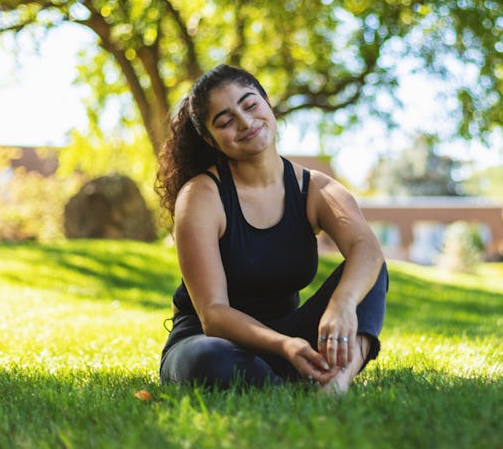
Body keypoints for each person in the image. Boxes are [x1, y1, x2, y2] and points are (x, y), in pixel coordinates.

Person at [155, 64, 388, 393]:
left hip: (289, 339)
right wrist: (285, 346)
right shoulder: (201, 196)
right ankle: (284, 381)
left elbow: (366, 247)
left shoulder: (317, 189)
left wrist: (343, 304)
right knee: (210, 358)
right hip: (211, 341)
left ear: (267, 102)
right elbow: (214, 314)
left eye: (250, 105)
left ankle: (335, 382)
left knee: (371, 268)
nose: (245, 123)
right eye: (225, 121)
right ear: (210, 139)